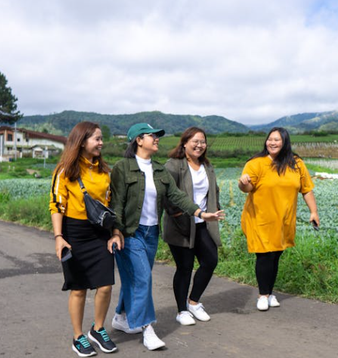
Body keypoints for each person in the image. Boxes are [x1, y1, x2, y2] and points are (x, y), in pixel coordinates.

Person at [109, 123, 225, 350]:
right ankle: (147, 328)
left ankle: (121, 317)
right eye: (152, 136)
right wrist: (116, 232)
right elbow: (117, 204)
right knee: (143, 279)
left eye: (157, 136)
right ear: (138, 140)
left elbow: (177, 196)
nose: (157, 139)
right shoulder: (122, 168)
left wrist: (201, 213)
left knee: (135, 277)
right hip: (130, 233)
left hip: (151, 233)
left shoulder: (159, 170)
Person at [49, 121, 123, 357]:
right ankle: (78, 336)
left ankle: (98, 329)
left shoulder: (104, 171)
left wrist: (114, 233)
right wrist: (59, 237)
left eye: (101, 139)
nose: (101, 143)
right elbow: (56, 205)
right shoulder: (65, 170)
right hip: (74, 233)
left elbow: (109, 206)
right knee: (79, 288)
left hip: (99, 233)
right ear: (82, 141)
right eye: (97, 139)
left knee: (105, 285)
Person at [238, 127, 319, 311]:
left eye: (277, 140)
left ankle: (269, 292)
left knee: (275, 255)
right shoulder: (256, 163)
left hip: (283, 219)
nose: (272, 143)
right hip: (260, 218)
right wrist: (243, 183)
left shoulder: (296, 163)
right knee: (264, 255)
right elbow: (247, 188)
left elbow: (306, 188)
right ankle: (262, 295)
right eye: (270, 139)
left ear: (284, 142)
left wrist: (313, 211)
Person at [163, 127, 222, 326]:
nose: (199, 145)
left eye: (203, 142)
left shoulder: (206, 165)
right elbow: (167, 195)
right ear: (185, 143)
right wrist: (179, 214)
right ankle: (181, 311)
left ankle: (193, 302)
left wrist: (214, 211)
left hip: (202, 223)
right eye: (195, 141)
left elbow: (213, 191)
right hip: (181, 225)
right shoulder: (173, 165)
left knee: (210, 260)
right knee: (185, 267)